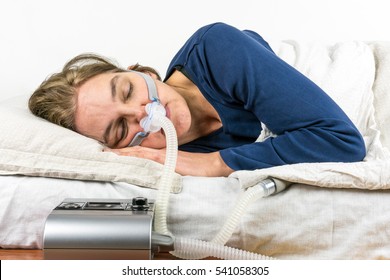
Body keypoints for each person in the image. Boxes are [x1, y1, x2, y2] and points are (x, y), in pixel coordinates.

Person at [28, 22, 366, 177]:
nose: (145, 111)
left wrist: (216, 162)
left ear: (144, 71)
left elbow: (342, 142)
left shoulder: (217, 49)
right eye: (120, 128)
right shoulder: (167, 158)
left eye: (129, 90)